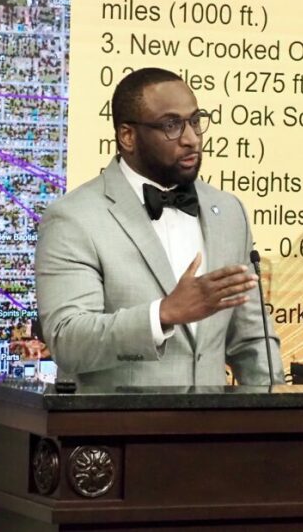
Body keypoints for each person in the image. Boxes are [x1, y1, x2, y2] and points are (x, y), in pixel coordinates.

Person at [35, 67, 281, 387]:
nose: (191, 139)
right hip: (120, 432)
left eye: (195, 121)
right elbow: (67, 341)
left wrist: (276, 416)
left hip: (215, 432)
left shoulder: (228, 211)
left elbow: (252, 340)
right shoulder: (74, 218)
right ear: (127, 136)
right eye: (171, 125)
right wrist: (162, 314)